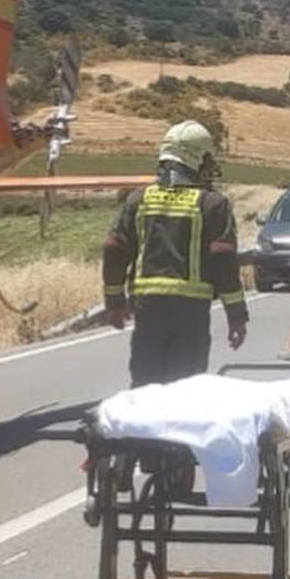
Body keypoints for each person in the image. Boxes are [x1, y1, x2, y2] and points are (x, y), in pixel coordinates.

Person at [102, 120, 247, 386]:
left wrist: (114, 303)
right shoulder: (213, 204)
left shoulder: (138, 199)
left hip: (147, 307)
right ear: (198, 160)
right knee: (185, 391)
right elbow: (223, 260)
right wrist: (236, 316)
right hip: (190, 312)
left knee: (146, 388)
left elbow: (114, 248)